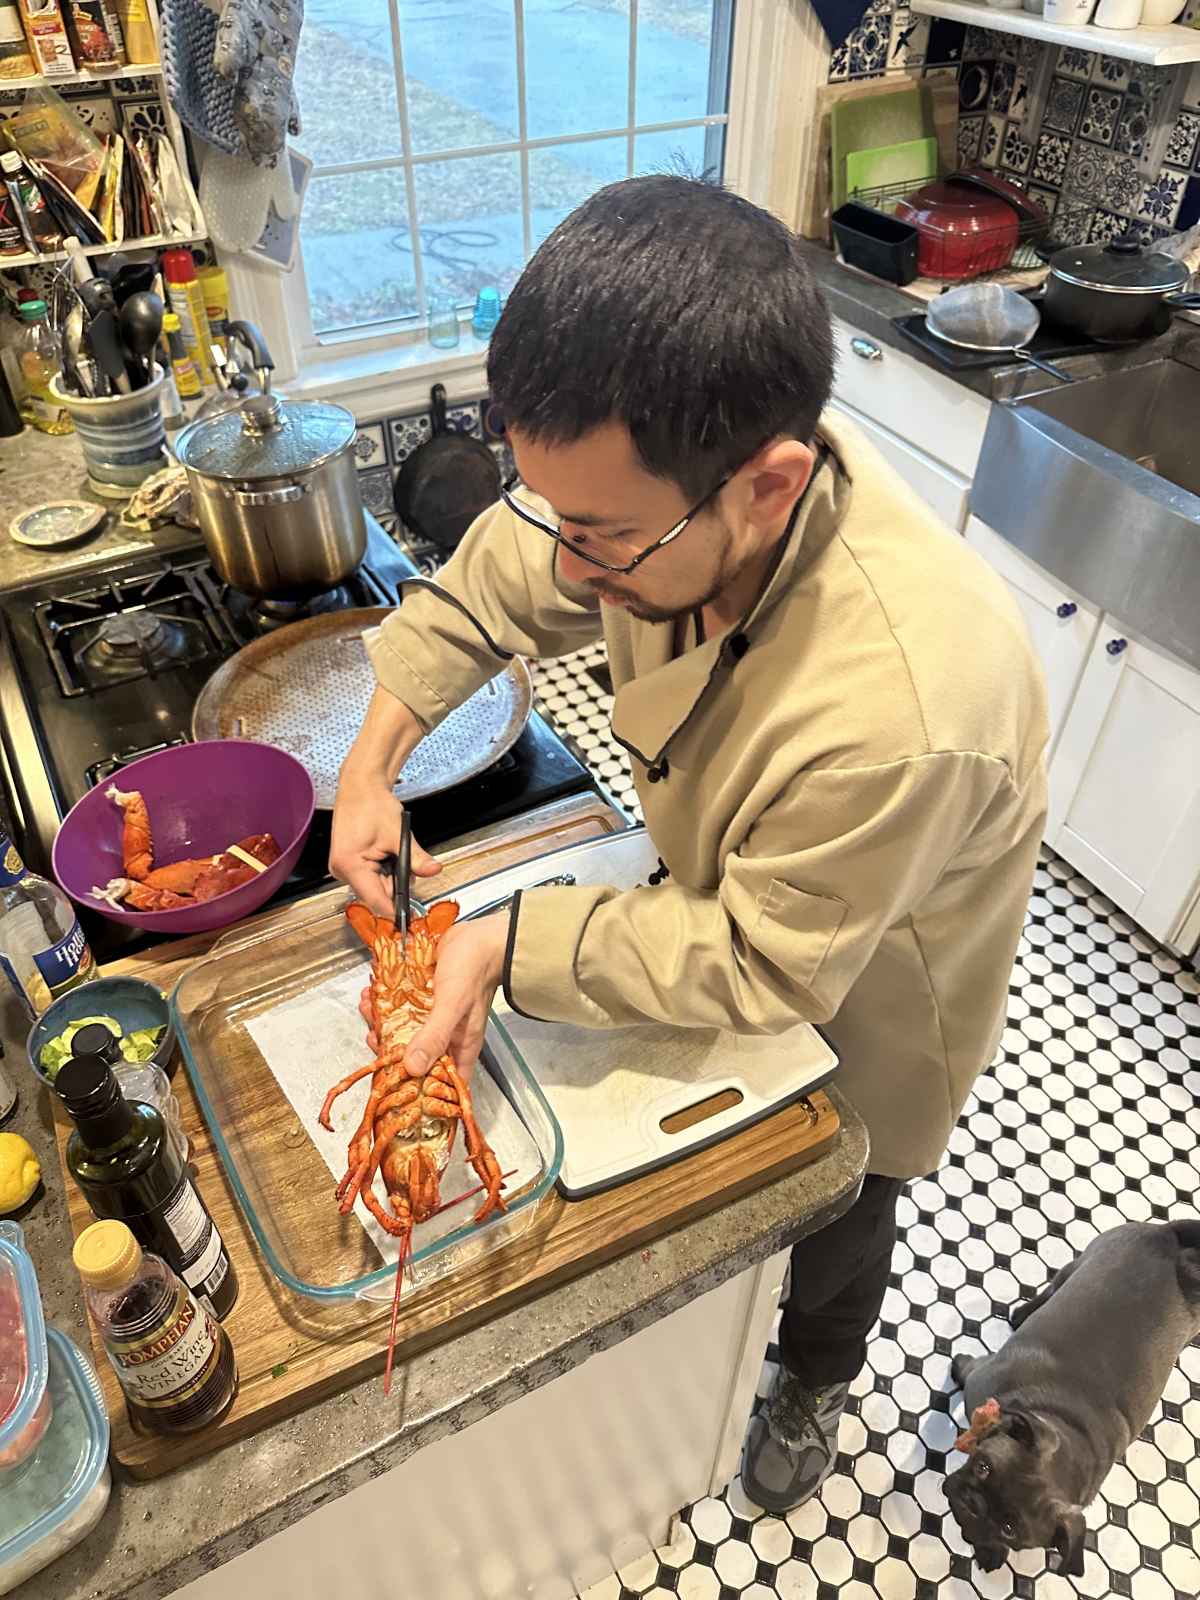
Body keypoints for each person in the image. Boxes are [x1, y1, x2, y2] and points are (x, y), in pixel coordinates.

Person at [330, 175, 1048, 1514]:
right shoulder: (657, 493)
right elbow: (499, 574)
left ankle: (814, 1377)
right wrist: (372, 764)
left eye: (600, 538)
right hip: (745, 876)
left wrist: (506, 940)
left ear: (771, 488)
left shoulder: (903, 710)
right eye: (555, 512)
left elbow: (767, 966)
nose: (568, 566)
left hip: (879, 977)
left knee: (840, 1199)